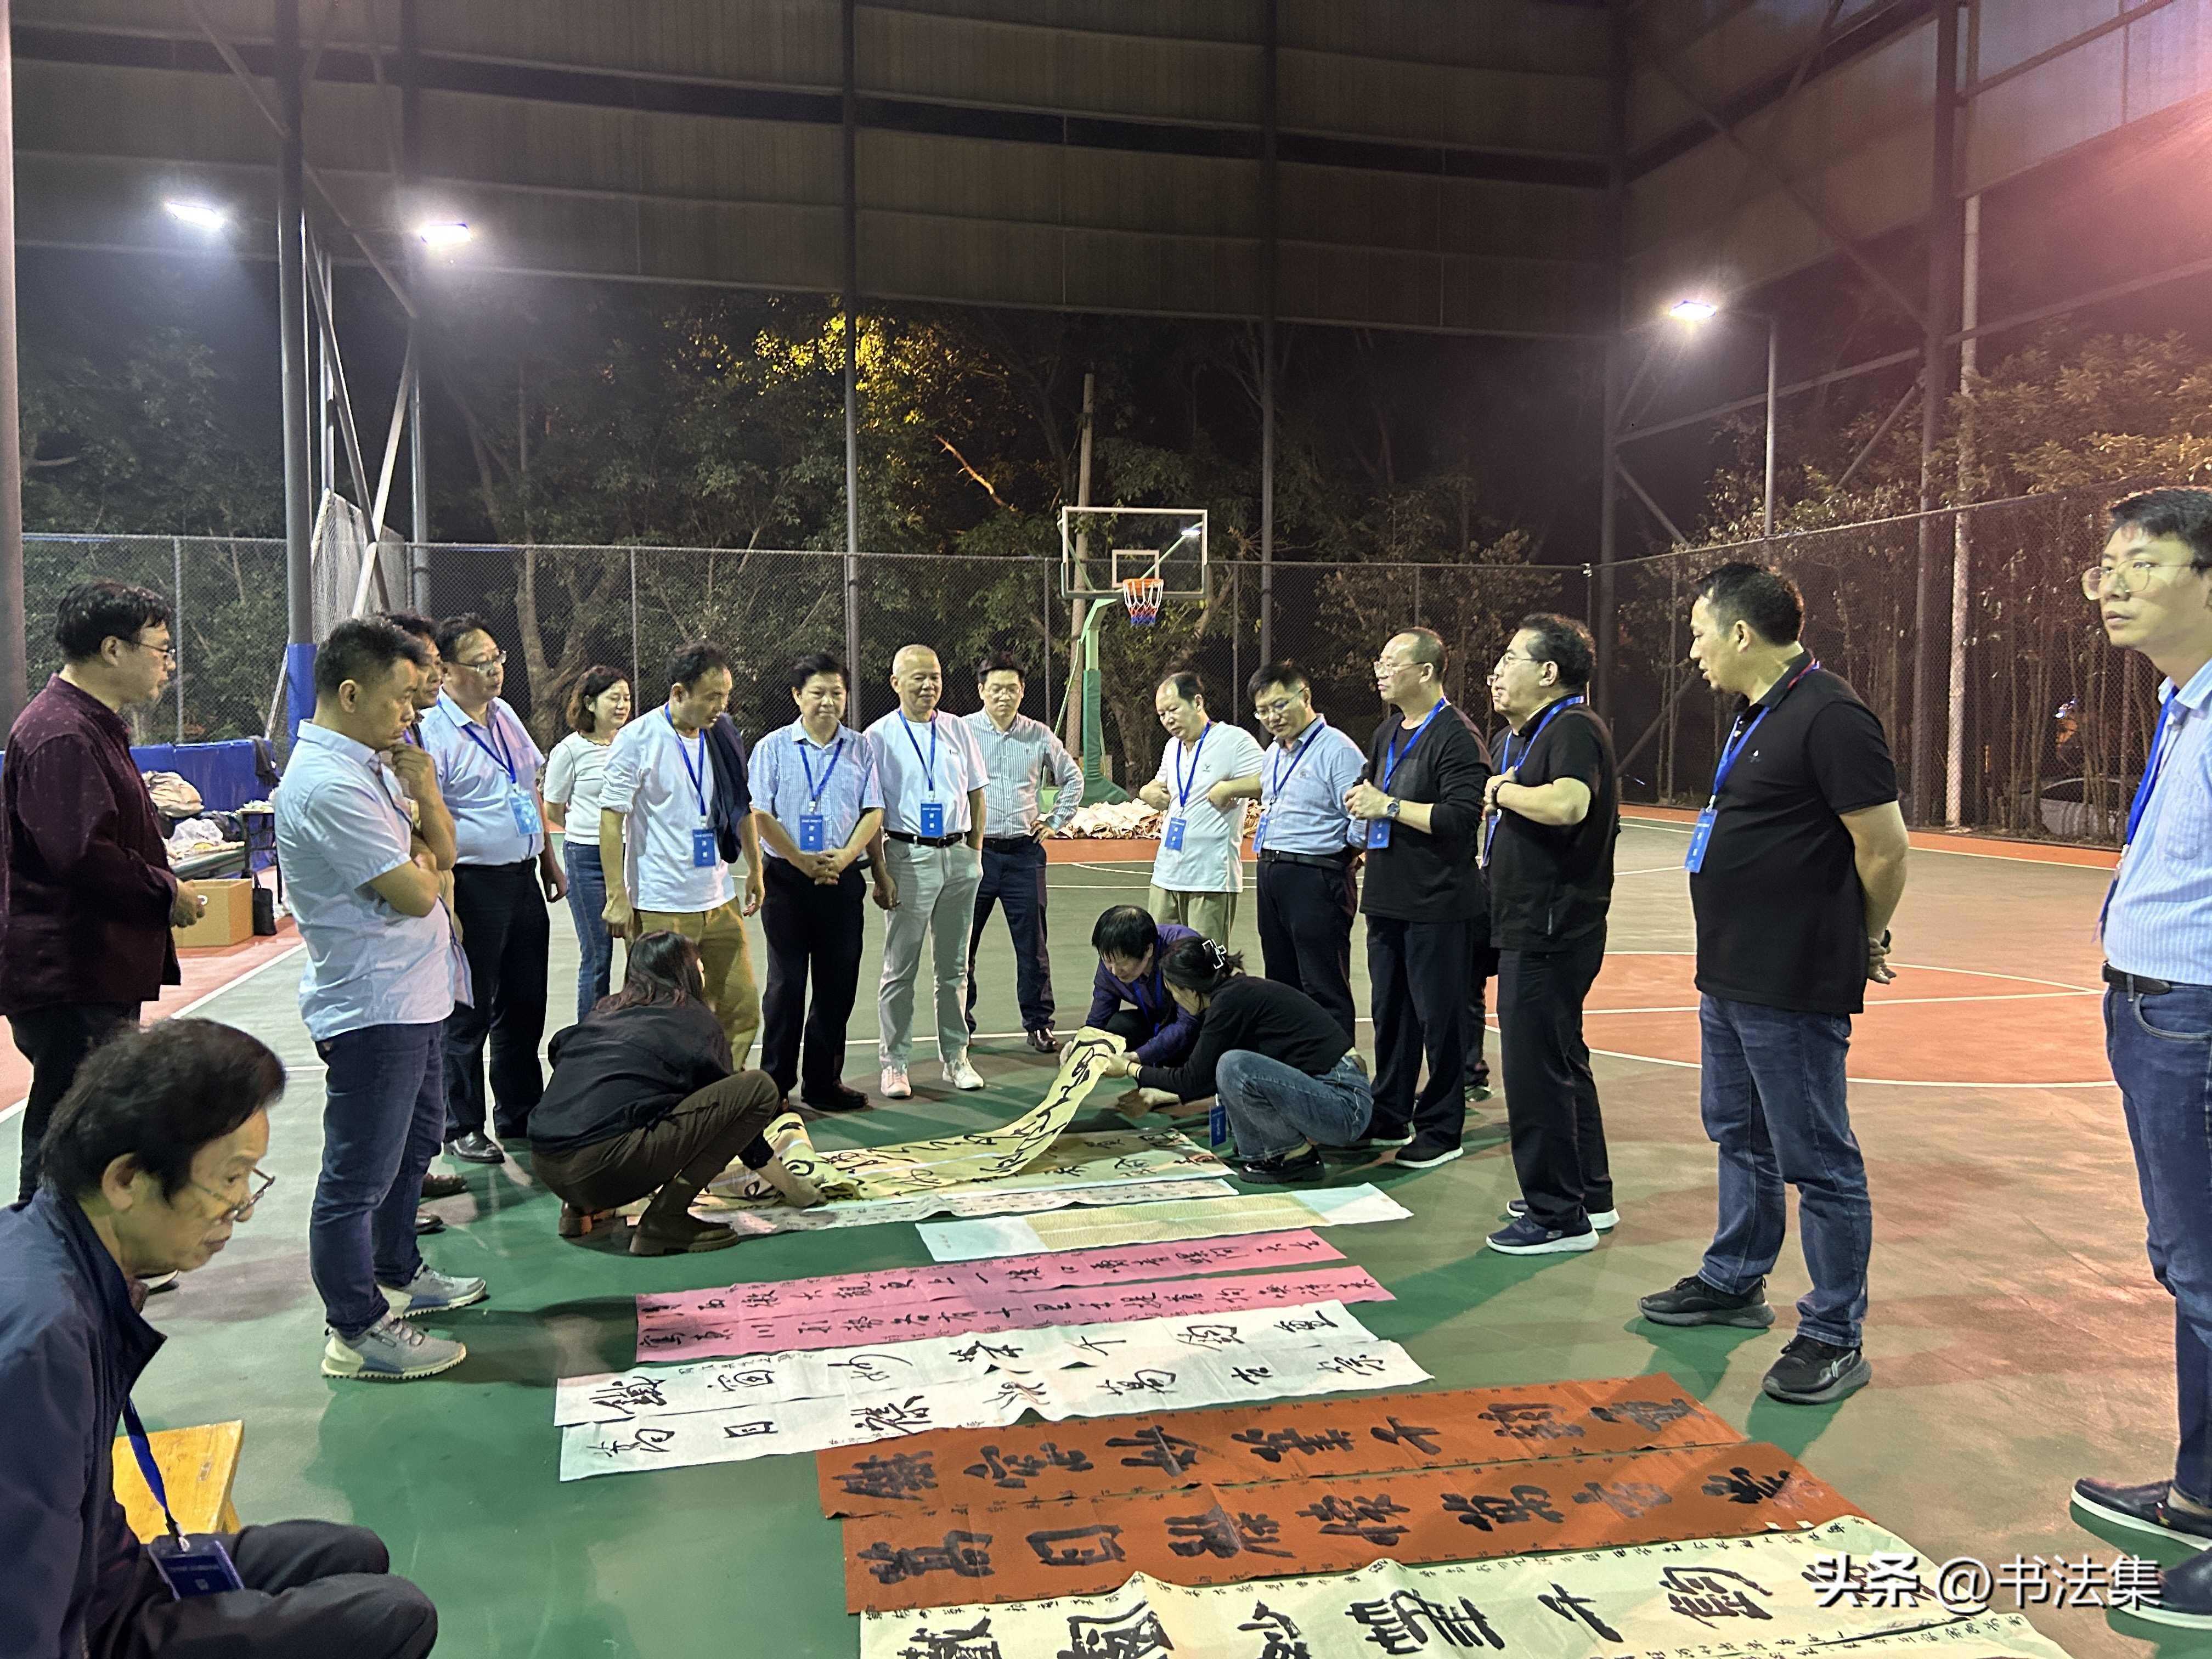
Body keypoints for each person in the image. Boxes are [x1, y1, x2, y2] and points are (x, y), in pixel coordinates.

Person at [0, 1019, 439, 1658]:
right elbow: (19, 1617)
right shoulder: (41, 1341)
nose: (243, 1207)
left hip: (109, 1574)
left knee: (351, 1551)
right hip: (87, 1627)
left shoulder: (57, 1249)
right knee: (395, 1617)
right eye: (231, 1179)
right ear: (127, 1180)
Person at [1635, 562, 1908, 1408]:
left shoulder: (1831, 715)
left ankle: (1833, 1333)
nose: (1694, 651)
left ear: (1741, 633)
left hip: (1791, 980)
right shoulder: (1760, 713)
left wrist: (1861, 937)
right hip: (1732, 973)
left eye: (1699, 633)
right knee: (1739, 1134)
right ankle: (1735, 1279)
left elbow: (1885, 847)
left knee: (1818, 1160)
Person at [2068, 487, 2212, 1627]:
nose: (2112, 583)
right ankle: (2202, 1491)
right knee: (2188, 1265)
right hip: (2154, 1012)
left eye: (2143, 561)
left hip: (2196, 1021)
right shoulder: (2182, 704)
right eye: (2106, 565)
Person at [275, 617, 483, 1381]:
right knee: (357, 1176)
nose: (411, 713)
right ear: (351, 692)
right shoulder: (327, 784)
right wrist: (423, 864)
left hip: (416, 995)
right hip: (373, 1006)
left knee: (413, 1148)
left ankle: (399, 1270)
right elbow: (416, 891)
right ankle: (355, 1328)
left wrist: (424, 796)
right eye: (401, 697)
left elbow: (443, 854)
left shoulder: (375, 768)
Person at [1, 580, 200, 1205]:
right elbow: (82, 855)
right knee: (70, 1130)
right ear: (113, 649)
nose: (168, 665)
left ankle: (75, 1246)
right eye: (161, 650)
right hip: (71, 973)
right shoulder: (63, 733)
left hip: (93, 967)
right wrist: (167, 891)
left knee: (91, 1124)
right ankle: (42, 1251)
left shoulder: (89, 725)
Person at [533, 932, 824, 1255]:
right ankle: (666, 1220)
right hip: (605, 1169)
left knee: (611, 1103)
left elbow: (560, 1048)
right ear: (687, 971)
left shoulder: (604, 1010)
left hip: (547, 1166)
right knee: (758, 1088)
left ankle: (577, 1211)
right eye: (699, 965)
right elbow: (740, 1119)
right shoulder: (693, 1019)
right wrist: (795, 1189)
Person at [1481, 614, 1620, 1256]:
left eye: (1511, 658)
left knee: (1534, 1071)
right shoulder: (1543, 732)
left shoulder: (1570, 727)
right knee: (1562, 1061)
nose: (1498, 669)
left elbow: (1568, 804)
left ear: (1548, 672)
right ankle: (1588, 1194)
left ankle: (1557, 1216)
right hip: (1543, 924)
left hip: (1548, 928)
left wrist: (1503, 790)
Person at [1344, 627, 1491, 1170]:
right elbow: (1372, 793)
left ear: (1426, 672)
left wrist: (1388, 807)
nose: (1380, 671)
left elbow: (1460, 818)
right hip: (1387, 897)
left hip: (1438, 904)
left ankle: (1443, 1127)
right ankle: (1390, 1112)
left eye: (1391, 663)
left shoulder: (1458, 736)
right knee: (1392, 1016)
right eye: (1379, 662)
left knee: (1440, 1021)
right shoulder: (1387, 732)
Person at [419, 614, 562, 1165]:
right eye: (481, 662)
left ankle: (521, 1112)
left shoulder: (505, 716)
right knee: (468, 1009)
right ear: (446, 671)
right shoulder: (433, 731)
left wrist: (548, 859)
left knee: (525, 1003)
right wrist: (447, 899)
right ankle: (460, 1123)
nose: (495, 669)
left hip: (522, 878)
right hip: (472, 884)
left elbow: (529, 790)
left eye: (497, 658)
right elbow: (427, 820)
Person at [600, 642, 764, 1062]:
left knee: (742, 1009)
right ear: (679, 693)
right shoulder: (637, 739)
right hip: (660, 904)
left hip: (719, 900)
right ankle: (670, 1096)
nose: (721, 706)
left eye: (725, 696)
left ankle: (723, 1090)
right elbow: (612, 819)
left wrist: (756, 869)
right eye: (711, 697)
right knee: (662, 1018)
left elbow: (741, 804)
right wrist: (617, 896)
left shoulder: (723, 734)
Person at [1097, 936, 1371, 1184]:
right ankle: (1273, 1152)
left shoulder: (1230, 1003)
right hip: (1336, 1096)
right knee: (1230, 1066)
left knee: (1234, 1064)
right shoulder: (1235, 993)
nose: (1177, 1001)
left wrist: (1131, 1069)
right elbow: (1208, 1076)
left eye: (1175, 993)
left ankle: (1295, 1157)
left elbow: (1194, 1079)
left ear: (1190, 990)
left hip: (1344, 1107)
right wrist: (1161, 1096)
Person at [749, 651, 885, 1113]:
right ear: (797, 696)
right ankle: (775, 1086)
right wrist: (800, 860)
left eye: (837, 693)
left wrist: (845, 858)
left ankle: (824, 1082)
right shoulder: (772, 747)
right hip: (787, 881)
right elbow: (760, 812)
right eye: (818, 693)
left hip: (841, 880)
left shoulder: (861, 748)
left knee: (837, 985)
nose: (828, 702)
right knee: (785, 986)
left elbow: (874, 810)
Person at [866, 644, 990, 1099]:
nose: (928, 685)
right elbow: (872, 810)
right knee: (900, 968)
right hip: (908, 855)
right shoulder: (878, 737)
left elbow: (977, 793)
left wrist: (974, 853)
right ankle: (895, 1063)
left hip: (958, 855)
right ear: (896, 683)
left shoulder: (958, 728)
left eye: (934, 676)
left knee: (955, 968)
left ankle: (956, 1058)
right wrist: (881, 871)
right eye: (918, 677)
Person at [381, 612, 469, 1219]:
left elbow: (441, 849)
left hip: (430, 933)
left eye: (436, 663)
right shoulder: (371, 753)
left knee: (421, 1090)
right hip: (386, 967)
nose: (433, 675)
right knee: (383, 1110)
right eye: (425, 663)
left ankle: (411, 1179)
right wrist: (430, 867)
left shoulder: (413, 735)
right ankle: (392, 1205)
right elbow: (415, 860)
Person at [1234, 661, 1365, 1046]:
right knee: (1281, 979)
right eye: (1262, 711)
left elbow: (1361, 817)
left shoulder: (1338, 750)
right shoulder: (1274, 753)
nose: (1272, 717)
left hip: (1316, 876)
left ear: (1305, 696)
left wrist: (1342, 858)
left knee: (1323, 982)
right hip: (1273, 873)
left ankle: (1338, 1069)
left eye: (1279, 705)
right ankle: (1291, 1061)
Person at [964, 652, 1081, 1054]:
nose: (1004, 696)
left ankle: (1039, 1023)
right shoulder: (962, 732)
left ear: (1022, 691)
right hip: (974, 852)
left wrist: (1055, 821)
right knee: (963, 945)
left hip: (1024, 854)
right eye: (996, 689)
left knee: (1032, 947)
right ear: (981, 690)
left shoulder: (1039, 734)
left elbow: (1073, 779)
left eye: (1011, 689)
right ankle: (960, 1023)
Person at [1136, 671, 1264, 946]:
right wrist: (1146, 791)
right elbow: (1161, 784)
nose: (1168, 720)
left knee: (1204, 962)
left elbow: (1271, 780)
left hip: (1210, 879)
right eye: (1162, 714)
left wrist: (1230, 788)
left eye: (1173, 710)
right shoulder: (1172, 747)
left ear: (1197, 703)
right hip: (1167, 875)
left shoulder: (1234, 740)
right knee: (1160, 956)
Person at [544, 666, 633, 1024]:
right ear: (590, 703)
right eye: (614, 698)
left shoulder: (634, 743)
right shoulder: (569, 750)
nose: (622, 705)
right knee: (598, 955)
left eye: (626, 698)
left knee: (643, 951)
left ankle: (636, 1028)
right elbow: (553, 807)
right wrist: (586, 831)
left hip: (633, 857)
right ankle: (591, 1035)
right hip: (587, 859)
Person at [1085, 905, 1204, 1096]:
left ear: (1148, 950)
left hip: (1198, 1030)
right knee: (1117, 1027)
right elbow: (1099, 1018)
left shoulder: (1182, 952)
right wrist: (1080, 1046)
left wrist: (1136, 1058)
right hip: (1159, 1020)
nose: (1114, 971)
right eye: (1107, 961)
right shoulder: (1112, 958)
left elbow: (1188, 1024)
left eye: (1122, 963)